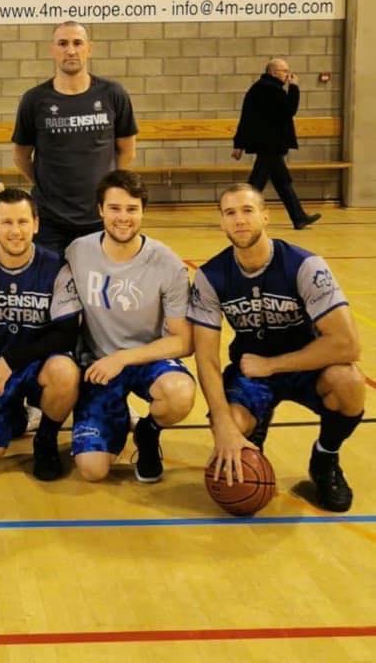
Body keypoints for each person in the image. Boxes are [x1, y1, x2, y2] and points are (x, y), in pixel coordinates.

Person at [188, 183, 364, 512]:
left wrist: (272, 365)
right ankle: (252, 438)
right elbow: (206, 358)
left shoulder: (304, 266)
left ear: (265, 216)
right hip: (250, 375)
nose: (240, 220)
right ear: (222, 223)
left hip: (306, 366)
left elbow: (347, 345)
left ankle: (325, 459)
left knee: (349, 382)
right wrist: (223, 425)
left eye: (247, 210)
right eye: (230, 213)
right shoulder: (210, 276)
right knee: (229, 426)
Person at [60, 170, 195, 483]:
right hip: (98, 366)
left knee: (178, 394)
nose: (123, 217)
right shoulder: (78, 252)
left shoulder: (168, 264)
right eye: (115, 208)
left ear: (143, 211)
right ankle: (116, 418)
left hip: (147, 360)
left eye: (132, 209)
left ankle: (148, 431)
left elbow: (183, 341)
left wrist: (122, 358)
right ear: (100, 210)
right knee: (92, 470)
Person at [0, 188, 80, 480]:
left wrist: (12, 359)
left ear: (36, 224)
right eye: (7, 222)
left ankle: (46, 438)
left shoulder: (56, 269)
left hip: (38, 369)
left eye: (23, 222)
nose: (15, 231)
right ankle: (15, 416)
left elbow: (66, 334)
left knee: (65, 372)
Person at [12, 22, 138, 256]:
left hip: (98, 217)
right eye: (63, 44)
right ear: (52, 50)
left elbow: (127, 150)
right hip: (50, 220)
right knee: (50, 278)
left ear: (89, 48)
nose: (70, 50)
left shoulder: (113, 94)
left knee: (97, 279)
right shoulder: (34, 100)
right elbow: (21, 156)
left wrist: (110, 189)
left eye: (77, 43)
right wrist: (46, 184)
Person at [232, 58, 321, 230]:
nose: (288, 74)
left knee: (281, 182)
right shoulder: (269, 89)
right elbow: (289, 109)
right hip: (270, 145)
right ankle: (239, 213)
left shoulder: (262, 87)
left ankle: (299, 217)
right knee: (258, 185)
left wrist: (239, 143)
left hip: (269, 145)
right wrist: (294, 87)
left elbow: (246, 118)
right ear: (273, 72)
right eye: (284, 71)